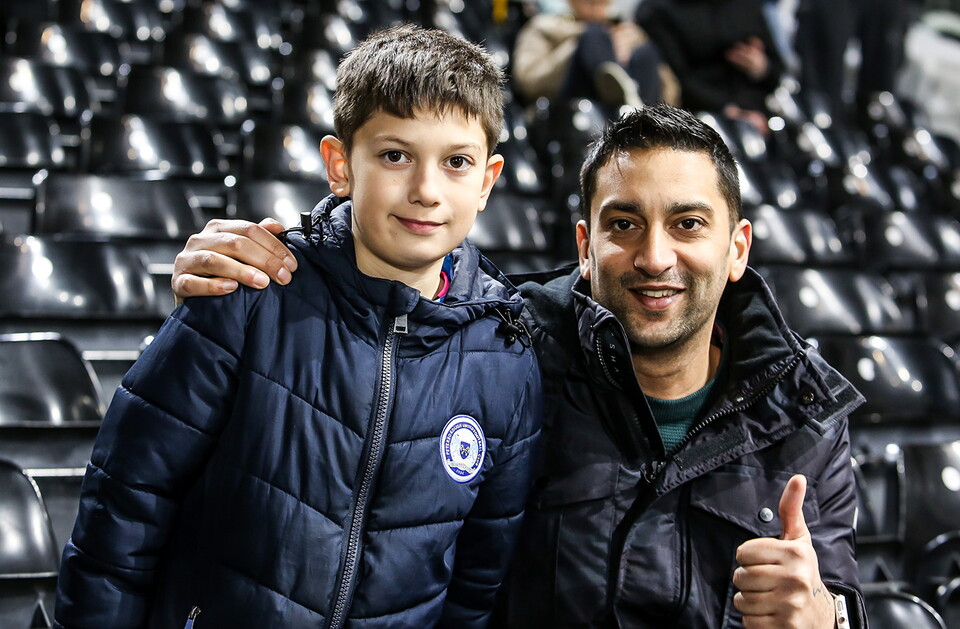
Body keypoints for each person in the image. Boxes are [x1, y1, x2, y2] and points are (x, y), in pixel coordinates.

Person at [170, 104, 866, 628]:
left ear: (737, 247)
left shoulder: (805, 416)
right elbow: (385, 315)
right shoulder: (507, 345)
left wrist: (824, 619)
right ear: (584, 246)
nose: (655, 257)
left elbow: (835, 594)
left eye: (687, 224)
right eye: (624, 225)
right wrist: (264, 268)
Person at [54, 24, 542, 629]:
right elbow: (123, 510)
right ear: (340, 166)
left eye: (456, 163)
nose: (426, 190)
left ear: (487, 181)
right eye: (395, 155)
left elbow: (476, 584)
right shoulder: (248, 293)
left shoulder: (505, 357)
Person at [637, 0, 785, 135]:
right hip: (704, 116)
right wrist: (729, 109)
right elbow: (679, 77)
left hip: (761, 110)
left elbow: (777, 68)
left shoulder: (747, 5)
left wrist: (762, 67)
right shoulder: (658, 10)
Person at [512, 0, 680, 108]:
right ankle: (619, 92)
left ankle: (638, 111)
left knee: (646, 52)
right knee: (593, 35)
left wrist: (632, 44)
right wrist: (578, 46)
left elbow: (671, 92)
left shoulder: (628, 32)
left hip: (639, 106)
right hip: (573, 107)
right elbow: (529, 80)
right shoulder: (545, 26)